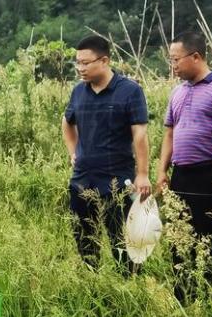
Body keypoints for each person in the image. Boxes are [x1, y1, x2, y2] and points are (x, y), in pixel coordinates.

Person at [154, 30, 212, 299]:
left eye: (176, 59)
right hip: (181, 174)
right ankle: (183, 300)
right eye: (171, 60)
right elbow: (169, 133)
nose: (173, 65)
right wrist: (162, 171)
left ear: (196, 57)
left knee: (208, 237)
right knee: (179, 239)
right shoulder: (177, 92)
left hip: (209, 173)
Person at [62, 34, 151, 272]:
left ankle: (131, 284)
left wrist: (143, 174)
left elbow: (140, 134)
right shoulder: (78, 92)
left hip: (117, 179)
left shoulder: (129, 91)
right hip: (83, 178)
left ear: (104, 61)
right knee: (84, 237)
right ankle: (92, 279)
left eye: (85, 62)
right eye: (77, 63)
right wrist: (73, 152)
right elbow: (67, 123)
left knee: (122, 239)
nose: (80, 68)